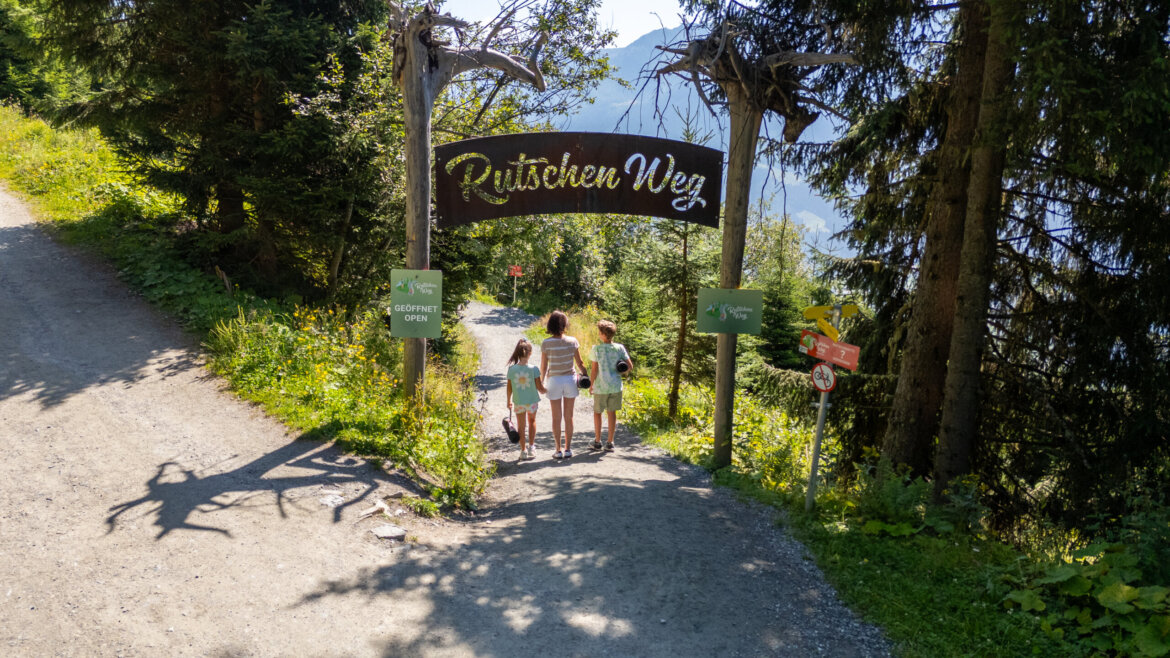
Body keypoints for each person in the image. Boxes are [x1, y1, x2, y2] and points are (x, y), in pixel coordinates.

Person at [540, 310, 587, 459]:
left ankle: (558, 450)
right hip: (570, 380)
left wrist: (540, 382)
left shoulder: (546, 343)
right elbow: (579, 363)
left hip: (554, 380)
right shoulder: (572, 341)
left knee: (556, 418)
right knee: (569, 416)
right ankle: (568, 449)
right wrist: (585, 374)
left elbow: (543, 366)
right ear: (564, 325)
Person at [589, 319, 633, 452]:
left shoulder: (596, 349)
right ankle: (610, 442)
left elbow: (594, 370)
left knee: (597, 412)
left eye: (599, 332)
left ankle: (597, 441)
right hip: (615, 386)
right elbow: (630, 367)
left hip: (601, 387)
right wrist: (620, 371)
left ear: (602, 334)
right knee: (611, 413)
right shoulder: (619, 348)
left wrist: (591, 385)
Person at [506, 338, 546, 461]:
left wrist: (508, 401)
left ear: (518, 353)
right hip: (532, 401)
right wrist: (547, 390)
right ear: (530, 353)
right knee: (532, 421)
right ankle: (531, 447)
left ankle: (523, 451)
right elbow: (540, 388)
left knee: (521, 426)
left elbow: (509, 388)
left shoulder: (512, 370)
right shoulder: (534, 369)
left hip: (518, 402)